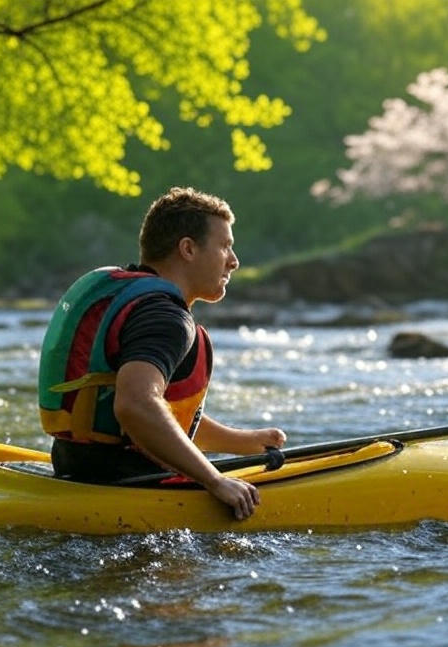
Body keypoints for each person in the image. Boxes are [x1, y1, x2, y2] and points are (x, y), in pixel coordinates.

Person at [38, 187, 286, 520]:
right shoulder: (166, 318)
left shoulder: (129, 295)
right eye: (225, 246)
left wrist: (242, 441)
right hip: (132, 485)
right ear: (188, 249)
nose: (234, 260)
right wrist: (214, 480)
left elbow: (157, 414)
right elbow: (136, 405)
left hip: (75, 469)